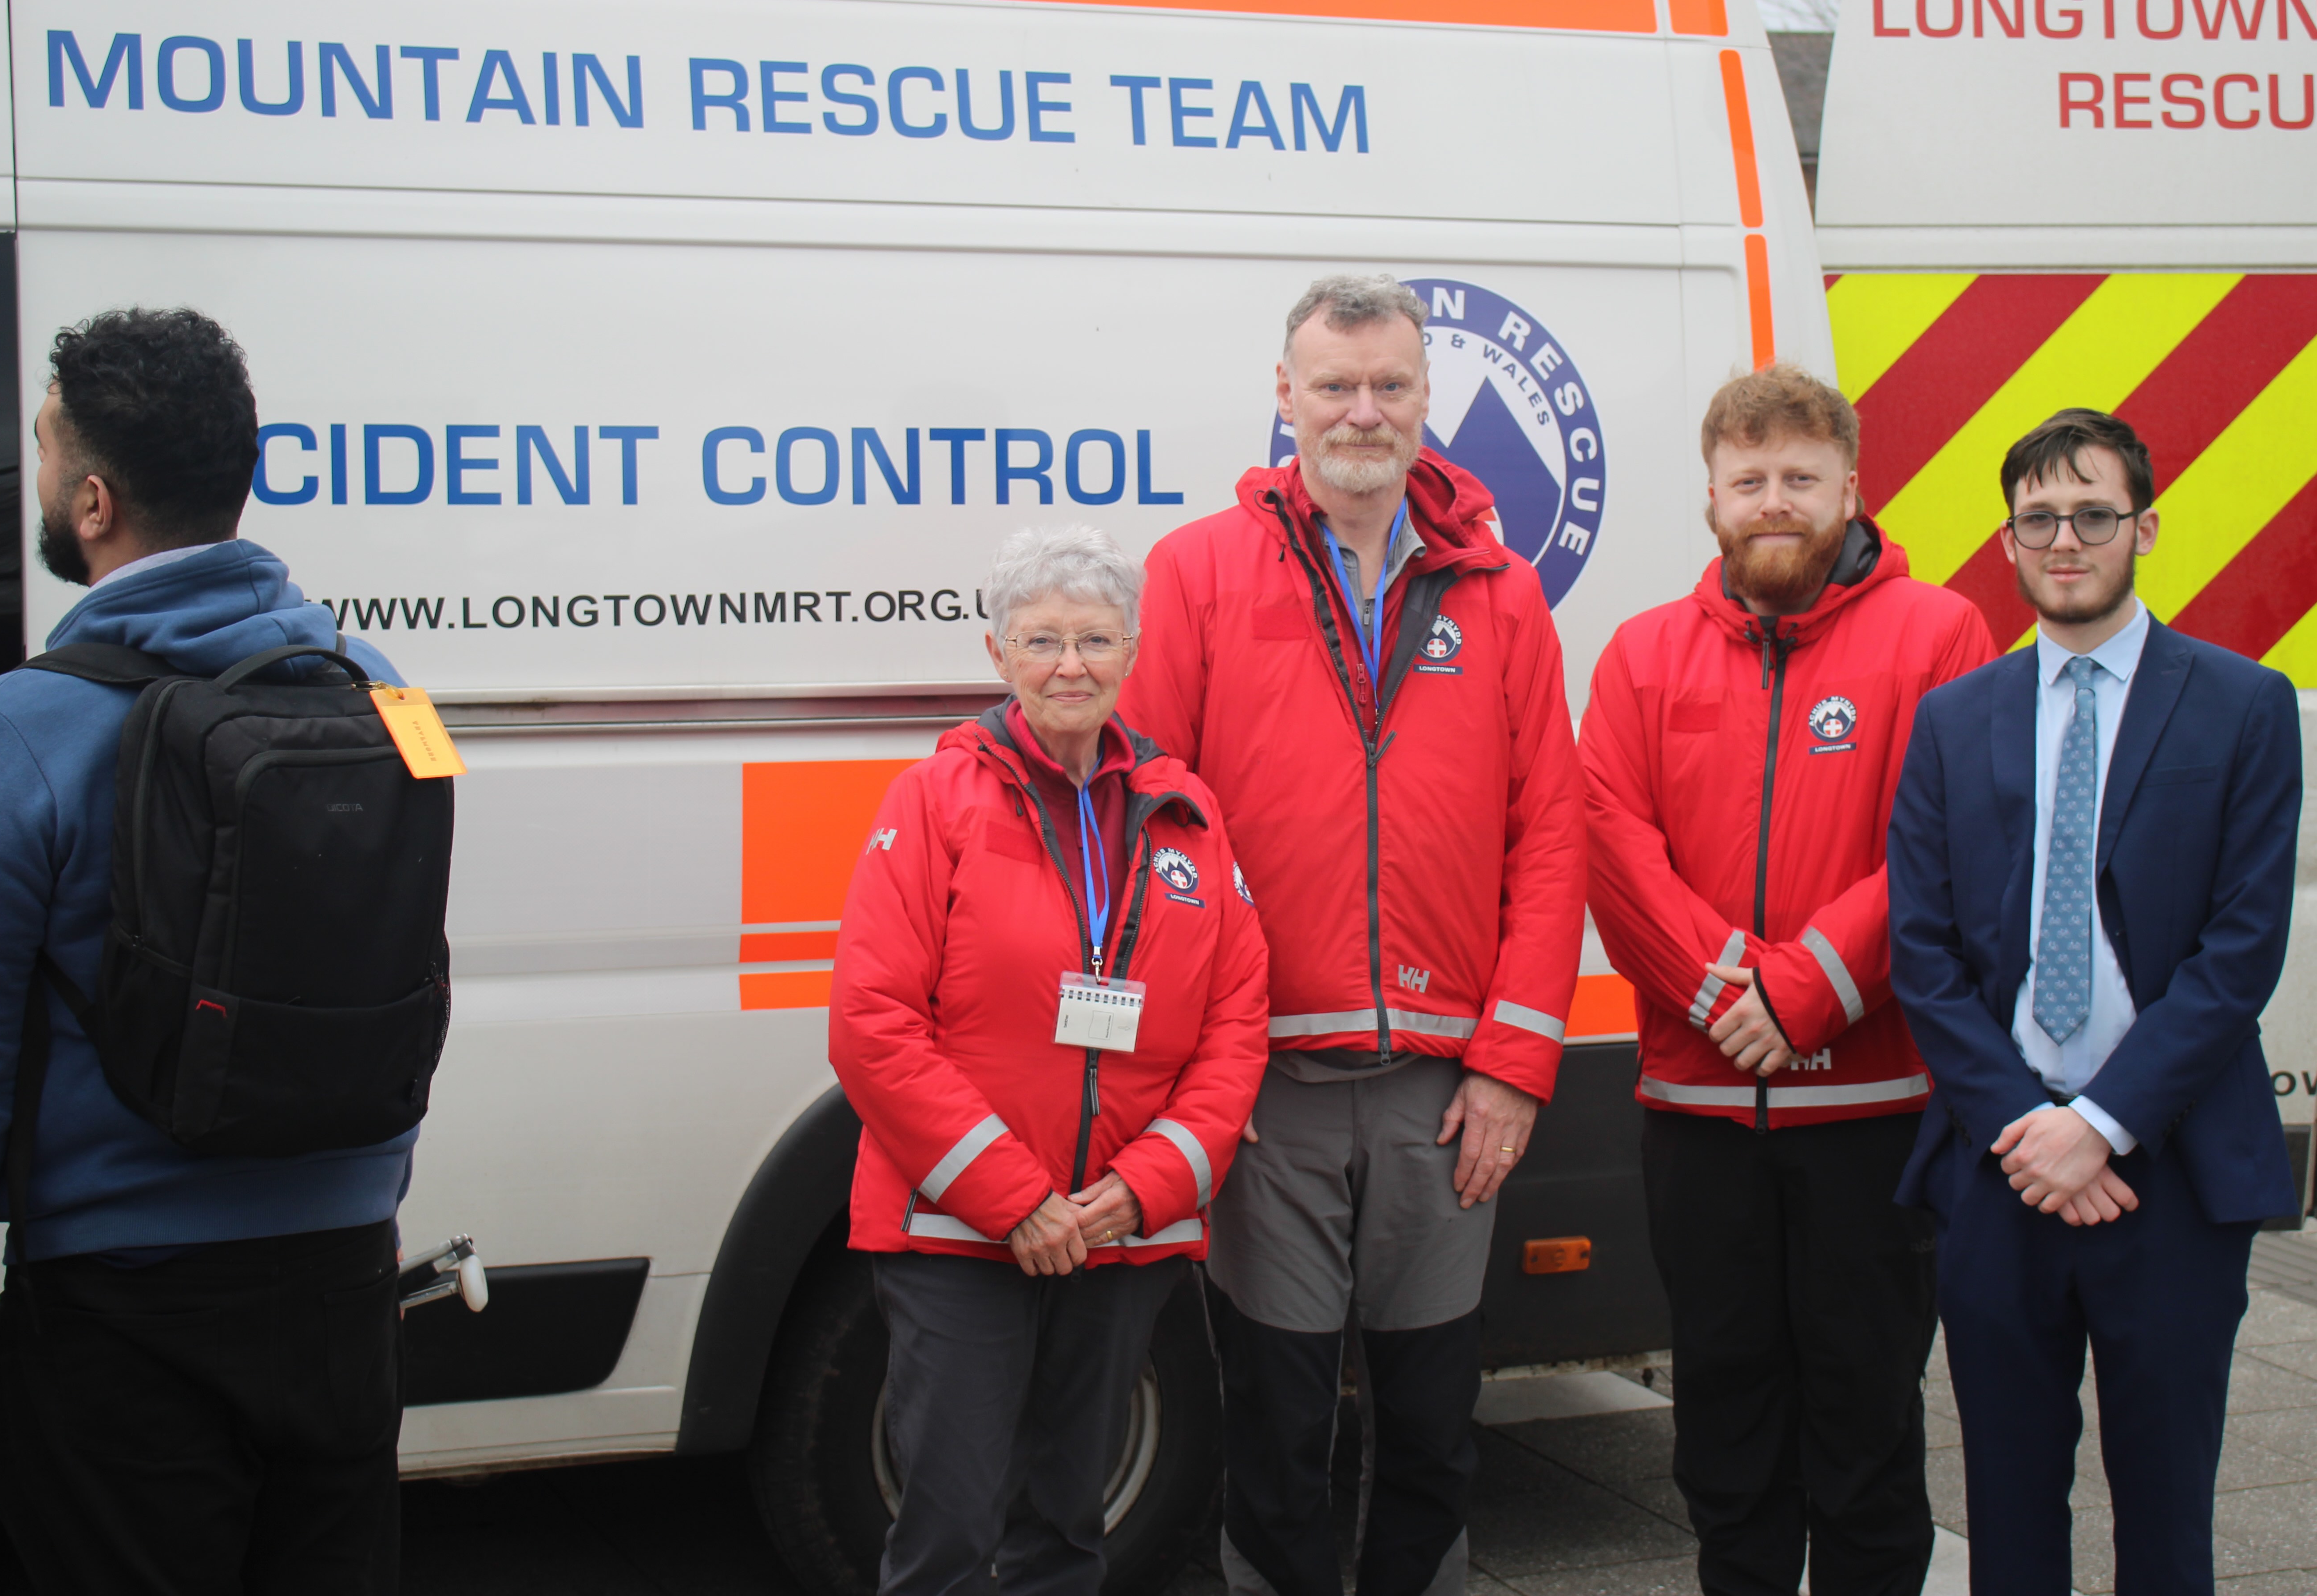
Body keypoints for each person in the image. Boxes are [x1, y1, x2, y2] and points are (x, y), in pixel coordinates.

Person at [1121, 273, 1585, 1596]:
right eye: (1335, 385)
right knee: (1275, 1426)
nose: (1363, 411)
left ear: (1430, 400)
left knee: (1436, 1422)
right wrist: (1200, 1071)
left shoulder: (1500, 594)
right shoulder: (1199, 571)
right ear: (1287, 399)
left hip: (1447, 1094)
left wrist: (1514, 1065)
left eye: (1389, 385)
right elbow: (1157, 833)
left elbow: (1550, 839)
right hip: (1268, 1085)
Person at [0, 308, 413, 1590]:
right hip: (341, 1298)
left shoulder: (16, 730)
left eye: (44, 449)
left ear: (92, 500)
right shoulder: (380, 688)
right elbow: (398, 968)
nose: (37, 472)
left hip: (119, 1320)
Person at [1579, 364, 1992, 1596]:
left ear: (1851, 489)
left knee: (1867, 1423)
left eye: (1799, 479)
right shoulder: (1644, 655)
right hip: (1700, 1117)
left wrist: (1809, 987)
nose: (1774, 501)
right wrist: (1724, 994)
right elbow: (1612, 841)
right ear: (1709, 496)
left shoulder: (1941, 634)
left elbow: (1945, 841)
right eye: (1748, 480)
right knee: (1723, 1418)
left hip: (1874, 1116)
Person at [1887, 409, 2302, 1596]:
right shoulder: (1955, 719)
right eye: (2038, 520)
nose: (2065, 540)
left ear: (2145, 527)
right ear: (2010, 541)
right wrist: (2032, 1131)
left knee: (2167, 1512)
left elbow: (2240, 951)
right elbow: (1925, 952)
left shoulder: (2243, 707)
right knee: (2010, 1513)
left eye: (2092, 515)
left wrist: (2103, 1125)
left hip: (2167, 1172)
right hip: (1999, 1165)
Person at [829, 524, 1268, 1596]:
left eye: (1094, 638)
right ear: (997, 654)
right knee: (945, 1524)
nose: (1069, 663)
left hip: (1120, 1239)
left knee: (1070, 1524)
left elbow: (1236, 1022)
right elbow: (871, 1022)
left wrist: (1144, 1188)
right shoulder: (933, 803)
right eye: (1041, 639)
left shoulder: (1188, 814)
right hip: (962, 1234)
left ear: (1131, 652)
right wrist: (1018, 1199)